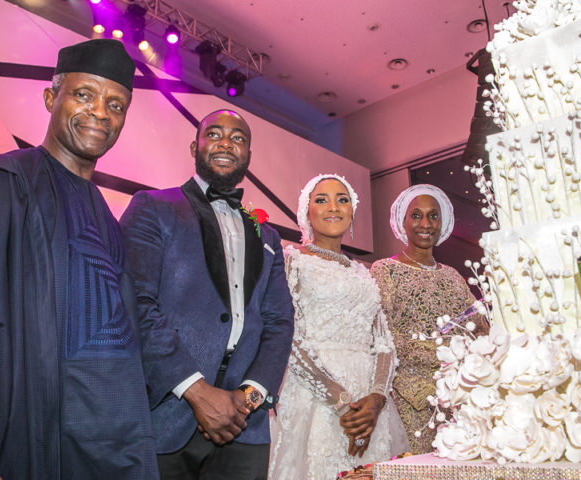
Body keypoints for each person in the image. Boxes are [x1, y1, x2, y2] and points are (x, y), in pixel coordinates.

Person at [0, 39, 159, 479]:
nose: (101, 113)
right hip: (22, 451)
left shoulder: (110, 220)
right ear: (51, 97)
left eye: (116, 104)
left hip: (115, 455)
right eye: (84, 94)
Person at [119, 109, 295, 479]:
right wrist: (197, 392)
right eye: (214, 133)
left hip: (244, 427)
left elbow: (280, 322)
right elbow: (136, 303)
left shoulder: (270, 238)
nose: (226, 143)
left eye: (238, 137)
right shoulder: (153, 208)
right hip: (167, 415)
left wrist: (248, 399)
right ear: (194, 146)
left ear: (247, 154)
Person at [269, 174, 408, 479]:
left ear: (352, 212)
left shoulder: (364, 272)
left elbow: (383, 343)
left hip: (370, 407)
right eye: (322, 200)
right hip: (317, 400)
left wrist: (376, 399)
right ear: (307, 212)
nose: (333, 207)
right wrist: (342, 403)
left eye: (342, 199)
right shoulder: (292, 262)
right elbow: (289, 337)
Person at [370, 184, 490, 454]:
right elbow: (382, 337)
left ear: (442, 223)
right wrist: (445, 352)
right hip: (407, 403)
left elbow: (480, 331)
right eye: (416, 215)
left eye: (433, 216)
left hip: (456, 402)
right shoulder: (385, 270)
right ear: (403, 222)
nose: (425, 223)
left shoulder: (453, 277)